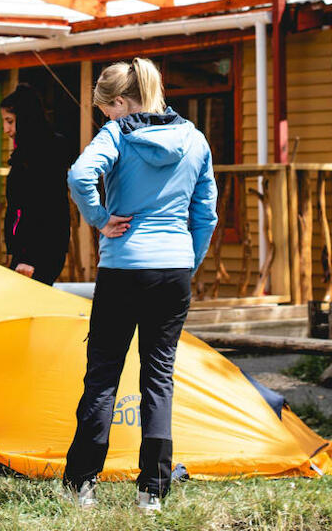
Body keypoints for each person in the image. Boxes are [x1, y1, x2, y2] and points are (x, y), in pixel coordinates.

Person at [61, 57, 217, 514]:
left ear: (123, 102)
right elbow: (205, 215)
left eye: (106, 109)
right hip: (173, 271)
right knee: (159, 377)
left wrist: (100, 218)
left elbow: (78, 175)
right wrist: (187, 262)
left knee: (104, 375)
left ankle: (82, 483)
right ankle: (152, 490)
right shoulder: (195, 139)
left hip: (124, 268)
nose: (105, 118)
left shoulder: (119, 133)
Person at [0, 84, 73, 286]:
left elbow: (41, 207)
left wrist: (26, 256)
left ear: (25, 118)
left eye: (10, 121)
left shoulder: (37, 155)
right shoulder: (41, 148)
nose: (6, 129)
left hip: (35, 254)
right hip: (43, 249)